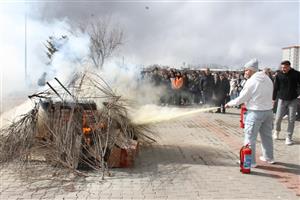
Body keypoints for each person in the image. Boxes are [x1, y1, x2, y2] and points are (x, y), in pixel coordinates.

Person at [225, 58, 275, 167]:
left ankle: (250, 162)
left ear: (251, 70)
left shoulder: (251, 81)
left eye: (246, 70)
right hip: (268, 112)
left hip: (255, 113)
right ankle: (269, 157)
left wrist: (230, 104)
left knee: (250, 137)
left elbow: (242, 97)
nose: (245, 72)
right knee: (267, 136)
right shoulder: (267, 78)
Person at [272, 60, 300, 145]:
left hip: (293, 99)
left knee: (291, 119)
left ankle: (289, 137)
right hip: (281, 99)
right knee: (278, 118)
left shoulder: (296, 74)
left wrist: (298, 94)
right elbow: (275, 87)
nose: (283, 69)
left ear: (289, 66)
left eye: (285, 67)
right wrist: (273, 99)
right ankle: (276, 131)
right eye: (282, 67)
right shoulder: (279, 75)